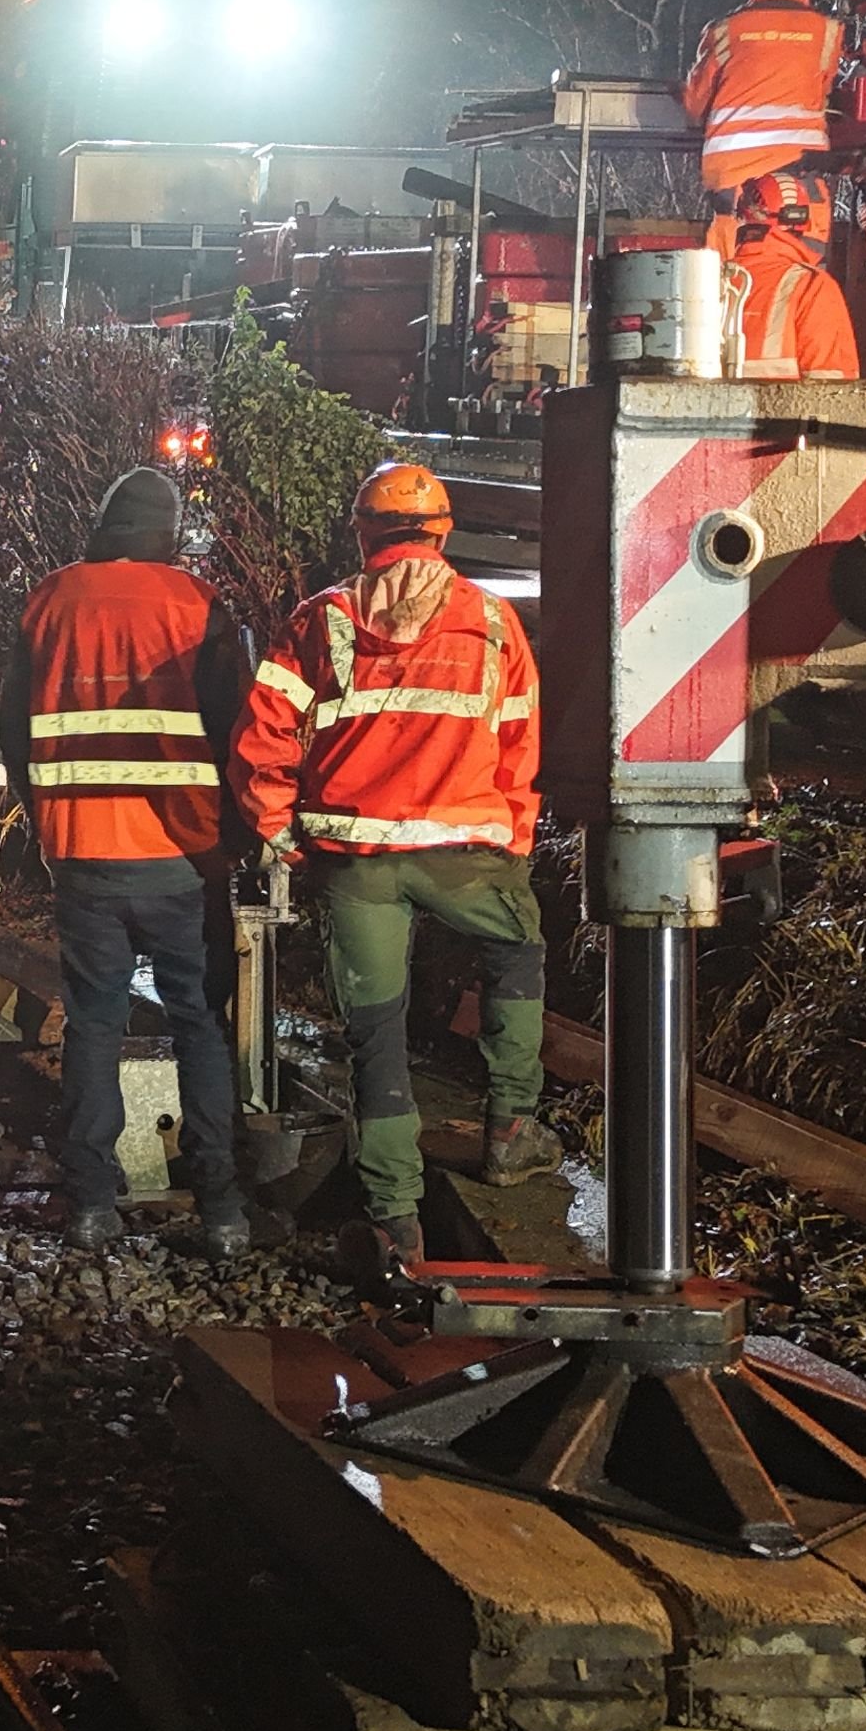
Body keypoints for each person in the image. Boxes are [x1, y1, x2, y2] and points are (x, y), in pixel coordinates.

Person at [234, 462, 551, 1281]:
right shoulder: (491, 620)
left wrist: (280, 833)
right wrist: (513, 833)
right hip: (466, 856)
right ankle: (511, 1127)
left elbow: (263, 740)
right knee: (516, 953)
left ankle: (395, 1228)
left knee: (375, 1040)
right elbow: (519, 737)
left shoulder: (321, 620)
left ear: (364, 533)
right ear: (442, 531)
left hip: (356, 863)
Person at [0, 468, 255, 1257]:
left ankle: (92, 1203)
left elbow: (16, 728)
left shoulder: (50, 599)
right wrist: (231, 847)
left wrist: (44, 821)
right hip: (182, 858)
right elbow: (238, 736)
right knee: (200, 1026)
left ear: (102, 525)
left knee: (94, 1023)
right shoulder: (199, 605)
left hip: (82, 851)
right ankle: (223, 1211)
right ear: (171, 535)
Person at [680, 0, 844, 259]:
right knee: (797, 285)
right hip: (798, 188)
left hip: (733, 190)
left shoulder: (725, 30)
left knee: (730, 290)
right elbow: (824, 92)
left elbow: (693, 107)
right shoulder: (828, 32)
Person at [726, 172, 861, 378]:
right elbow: (832, 388)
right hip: (783, 410)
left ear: (743, 218)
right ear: (801, 220)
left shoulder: (709, 282)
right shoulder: (811, 287)